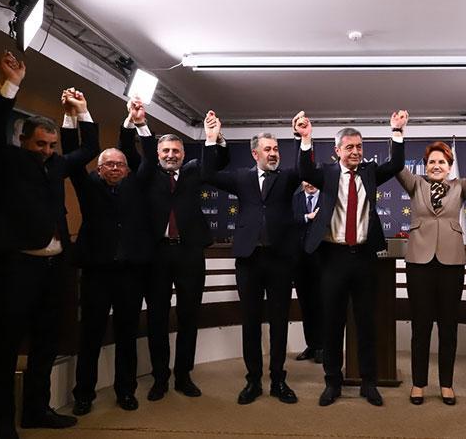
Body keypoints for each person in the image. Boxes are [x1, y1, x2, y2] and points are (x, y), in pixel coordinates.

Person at [0, 52, 99, 439]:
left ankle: (36, 410)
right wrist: (10, 85)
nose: (47, 150)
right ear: (22, 140)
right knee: (6, 346)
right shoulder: (3, 161)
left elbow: (89, 149)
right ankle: (2, 421)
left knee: (46, 343)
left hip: (54, 269)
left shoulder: (57, 165)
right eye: (40, 144)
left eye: (51, 145)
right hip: (17, 268)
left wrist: (81, 111)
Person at [296, 109, 407, 407]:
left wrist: (396, 131)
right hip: (332, 258)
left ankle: (369, 383)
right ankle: (332, 383)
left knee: (366, 323)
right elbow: (304, 171)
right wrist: (305, 138)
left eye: (359, 147)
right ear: (337, 151)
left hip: (364, 258)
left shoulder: (369, 173)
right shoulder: (327, 173)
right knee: (332, 323)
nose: (356, 151)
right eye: (350, 147)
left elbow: (396, 164)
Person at [66, 97, 155, 415]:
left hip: (130, 273)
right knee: (90, 335)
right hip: (96, 273)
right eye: (109, 165)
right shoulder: (87, 185)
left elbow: (151, 160)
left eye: (120, 164)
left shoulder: (136, 185)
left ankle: (125, 391)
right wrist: (73, 118)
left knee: (127, 335)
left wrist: (140, 124)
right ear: (99, 168)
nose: (115, 168)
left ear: (127, 169)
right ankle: (84, 394)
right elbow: (72, 157)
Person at [203, 117, 301, 405]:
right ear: (255, 153)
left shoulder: (287, 178)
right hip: (249, 260)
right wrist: (211, 139)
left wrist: (301, 139)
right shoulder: (241, 178)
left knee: (280, 321)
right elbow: (208, 173)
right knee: (251, 321)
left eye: (276, 149)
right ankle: (253, 380)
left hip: (280, 259)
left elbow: (305, 169)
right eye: (267, 149)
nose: (273, 153)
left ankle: (278, 379)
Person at [136, 111, 224, 401]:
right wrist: (140, 124)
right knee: (157, 318)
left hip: (189, 253)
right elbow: (138, 153)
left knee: (189, 316)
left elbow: (216, 163)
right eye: (166, 151)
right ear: (158, 153)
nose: (171, 155)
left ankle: (184, 375)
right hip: (157, 255)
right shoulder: (147, 174)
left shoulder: (193, 171)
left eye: (176, 151)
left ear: (184, 155)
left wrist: (212, 138)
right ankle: (160, 378)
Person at [395, 135, 466, 406]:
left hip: (451, 264)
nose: (436, 166)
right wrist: (397, 134)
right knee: (421, 327)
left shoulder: (460, 187)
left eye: (442, 162)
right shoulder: (415, 184)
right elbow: (397, 166)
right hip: (419, 263)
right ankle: (418, 384)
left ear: (449, 166)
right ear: (425, 165)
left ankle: (446, 384)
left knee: (448, 328)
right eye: (432, 162)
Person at [291, 181, 323, 364]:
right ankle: (311, 345)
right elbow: (287, 220)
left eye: (313, 180)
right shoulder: (294, 199)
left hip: (322, 261)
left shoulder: (327, 199)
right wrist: (307, 217)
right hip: (299, 261)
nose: (310, 184)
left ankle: (322, 347)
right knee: (306, 305)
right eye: (306, 180)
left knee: (321, 304)